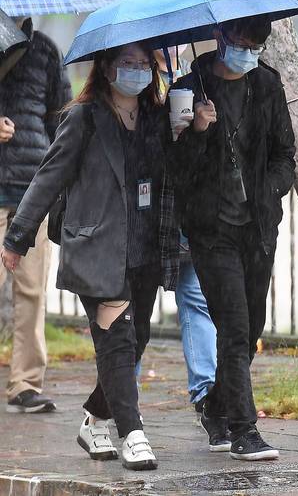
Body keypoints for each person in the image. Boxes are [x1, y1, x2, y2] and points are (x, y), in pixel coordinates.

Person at [1, 40, 179, 470]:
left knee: (135, 341)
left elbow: (176, 174)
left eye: (143, 63)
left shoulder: (159, 116)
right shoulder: (84, 117)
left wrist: (191, 127)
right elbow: (48, 176)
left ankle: (95, 419)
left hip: (144, 247)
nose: (136, 71)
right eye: (127, 63)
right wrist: (17, 238)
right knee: (116, 338)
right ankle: (132, 432)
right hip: (97, 245)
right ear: (107, 67)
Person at [169, 14, 295, 460]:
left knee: (251, 327)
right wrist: (198, 133)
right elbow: (177, 171)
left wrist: (270, 190)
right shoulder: (189, 90)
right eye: (240, 41)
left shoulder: (267, 85)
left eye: (255, 44)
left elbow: (286, 154)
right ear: (220, 38)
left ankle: (216, 407)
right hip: (211, 230)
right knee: (234, 324)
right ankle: (244, 431)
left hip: (258, 228)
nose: (247, 51)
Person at [0, 16, 69, 415]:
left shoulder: (44, 50)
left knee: (30, 290)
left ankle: (25, 383)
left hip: (31, 191)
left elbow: (59, 120)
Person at [153, 46, 217, 417]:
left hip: (185, 207)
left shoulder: (193, 80)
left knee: (195, 297)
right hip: (150, 207)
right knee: (131, 307)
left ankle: (205, 392)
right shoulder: (141, 75)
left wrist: (194, 129)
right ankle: (117, 398)